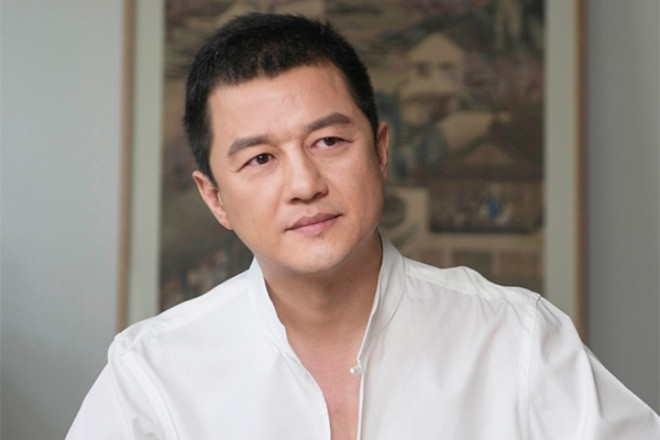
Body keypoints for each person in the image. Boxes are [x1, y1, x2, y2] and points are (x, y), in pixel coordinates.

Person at [67, 12, 659, 439]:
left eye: (328, 141)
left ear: (379, 150)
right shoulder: (151, 374)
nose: (304, 184)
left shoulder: (517, 339)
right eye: (261, 159)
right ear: (215, 198)